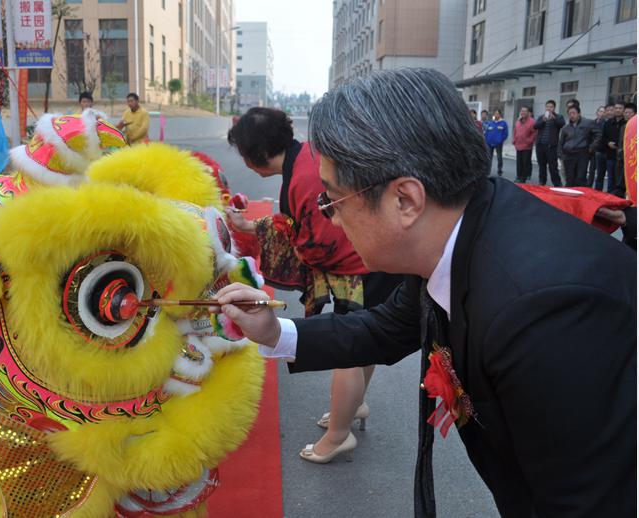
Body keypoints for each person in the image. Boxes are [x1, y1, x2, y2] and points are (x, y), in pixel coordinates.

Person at [215, 68, 636, 517]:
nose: (331, 221)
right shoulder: (461, 227)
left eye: (332, 201)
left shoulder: (544, 314)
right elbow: (385, 327)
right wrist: (272, 331)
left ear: (406, 201)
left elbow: (583, 501)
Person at [226, 107, 403, 464]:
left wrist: (294, 257)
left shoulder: (304, 177)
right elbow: (295, 223)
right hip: (373, 259)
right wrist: (250, 227)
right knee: (365, 341)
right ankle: (353, 405)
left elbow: (318, 239)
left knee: (349, 349)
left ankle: (339, 435)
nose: (245, 164)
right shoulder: (307, 154)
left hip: (358, 267)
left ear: (256, 154)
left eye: (245, 156)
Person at [558, 105, 602, 187]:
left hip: (582, 154)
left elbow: (598, 134)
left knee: (580, 178)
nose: (572, 115)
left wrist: (592, 147)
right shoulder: (566, 128)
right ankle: (569, 197)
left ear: (579, 113)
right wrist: (561, 155)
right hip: (568, 155)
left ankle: (580, 197)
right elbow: (561, 142)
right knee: (569, 179)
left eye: (574, 113)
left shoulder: (588, 123)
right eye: (570, 113)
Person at [534, 100, 566, 186]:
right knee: (541, 166)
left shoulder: (558, 116)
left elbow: (562, 124)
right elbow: (535, 126)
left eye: (551, 107)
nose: (549, 108)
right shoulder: (541, 117)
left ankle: (557, 183)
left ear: (554, 108)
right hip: (540, 145)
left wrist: (554, 118)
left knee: (553, 167)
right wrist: (543, 121)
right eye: (547, 107)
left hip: (551, 146)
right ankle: (542, 182)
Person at [603, 101, 628, 192]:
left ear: (624, 110)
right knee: (610, 178)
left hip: (622, 157)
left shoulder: (627, 123)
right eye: (616, 108)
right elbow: (603, 137)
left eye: (620, 108)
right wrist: (608, 143)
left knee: (620, 179)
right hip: (610, 154)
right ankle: (609, 196)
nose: (618, 110)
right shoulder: (608, 122)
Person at [512, 106, 537, 183]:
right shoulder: (518, 121)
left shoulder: (532, 122)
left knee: (525, 162)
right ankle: (518, 176)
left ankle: (524, 178)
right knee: (519, 162)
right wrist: (514, 139)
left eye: (525, 111)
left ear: (528, 112)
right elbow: (515, 131)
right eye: (522, 111)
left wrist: (530, 140)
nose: (523, 112)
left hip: (527, 146)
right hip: (518, 144)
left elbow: (535, 132)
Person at [589, 106, 609, 189]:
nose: (601, 113)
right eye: (600, 111)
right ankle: (588, 186)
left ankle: (598, 189)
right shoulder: (592, 122)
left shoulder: (606, 123)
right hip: (592, 149)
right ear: (597, 112)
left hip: (601, 150)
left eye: (603, 112)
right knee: (591, 170)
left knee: (600, 172)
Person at [483, 110, 508, 176]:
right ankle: (488, 171)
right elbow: (487, 133)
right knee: (489, 157)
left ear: (500, 115)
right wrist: (487, 141)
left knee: (499, 157)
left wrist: (500, 140)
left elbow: (505, 134)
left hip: (498, 144)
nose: (496, 115)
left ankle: (499, 170)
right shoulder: (491, 123)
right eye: (495, 113)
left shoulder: (503, 123)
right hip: (490, 144)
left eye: (497, 113)